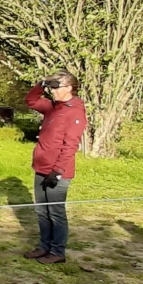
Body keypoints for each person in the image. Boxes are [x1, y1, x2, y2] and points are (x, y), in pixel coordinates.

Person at [24, 72, 87, 263]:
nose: (53, 92)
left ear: (68, 88)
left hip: (57, 172)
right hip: (41, 168)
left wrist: (57, 171)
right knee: (42, 211)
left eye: (55, 87)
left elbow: (70, 146)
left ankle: (57, 251)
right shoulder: (53, 108)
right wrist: (41, 84)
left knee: (55, 211)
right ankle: (44, 247)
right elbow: (31, 100)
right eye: (51, 88)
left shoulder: (75, 111)